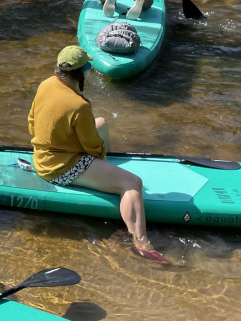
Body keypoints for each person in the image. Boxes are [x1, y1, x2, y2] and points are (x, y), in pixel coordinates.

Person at [27, 47, 168, 263]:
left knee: (100, 122)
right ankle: (141, 243)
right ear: (83, 70)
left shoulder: (46, 84)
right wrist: (98, 158)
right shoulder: (79, 106)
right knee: (132, 183)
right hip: (59, 170)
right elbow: (92, 146)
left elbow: (32, 125)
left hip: (41, 157)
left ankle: (106, 171)